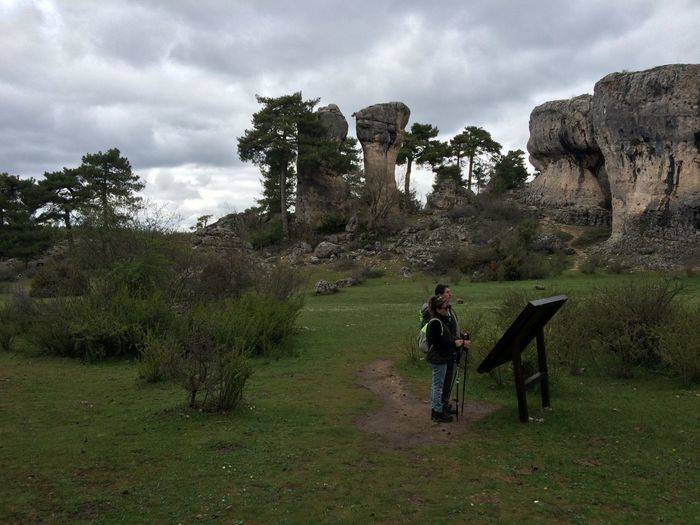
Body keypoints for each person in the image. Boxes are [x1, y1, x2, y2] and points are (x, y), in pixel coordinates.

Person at [425, 295, 470, 423]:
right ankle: (437, 413)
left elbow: (446, 339)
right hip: (439, 358)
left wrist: (459, 341)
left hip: (442, 357)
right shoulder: (435, 322)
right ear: (438, 310)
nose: (447, 310)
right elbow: (437, 343)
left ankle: (439, 409)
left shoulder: (441, 321)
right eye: (445, 308)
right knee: (438, 386)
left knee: (438, 385)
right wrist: (454, 344)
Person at [421, 284, 459, 415]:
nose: (450, 294)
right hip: (441, 353)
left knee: (446, 380)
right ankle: (438, 409)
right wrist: (455, 343)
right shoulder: (436, 319)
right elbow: (439, 340)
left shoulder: (444, 312)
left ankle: (443, 405)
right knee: (439, 384)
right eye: (448, 292)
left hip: (447, 351)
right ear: (440, 295)